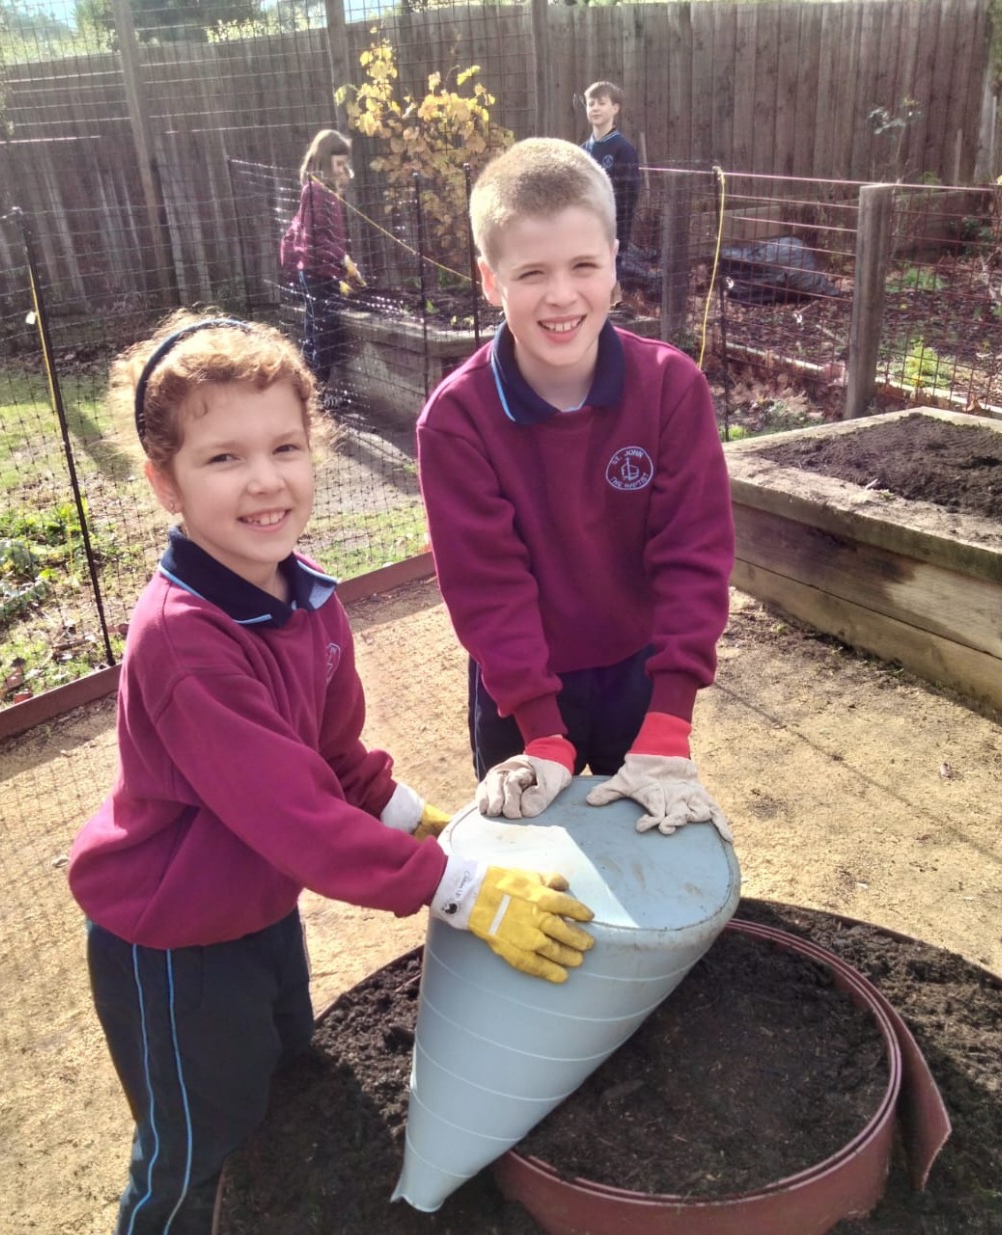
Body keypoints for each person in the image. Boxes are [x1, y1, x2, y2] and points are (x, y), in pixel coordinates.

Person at [68, 311, 595, 1235]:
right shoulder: (183, 642)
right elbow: (301, 821)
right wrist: (465, 890)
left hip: (252, 912)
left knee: (279, 1071)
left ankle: (246, 1228)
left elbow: (341, 765)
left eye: (284, 448)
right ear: (165, 482)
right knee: (196, 1126)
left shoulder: (303, 598)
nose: (265, 482)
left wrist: (432, 824)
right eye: (224, 459)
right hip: (169, 938)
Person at [416, 139, 734, 842]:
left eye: (583, 266)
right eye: (531, 272)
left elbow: (694, 555)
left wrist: (671, 718)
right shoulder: (456, 420)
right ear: (490, 281)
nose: (561, 295)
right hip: (519, 687)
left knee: (648, 854)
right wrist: (542, 730)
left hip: (640, 672)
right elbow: (486, 585)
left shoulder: (672, 389)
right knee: (530, 866)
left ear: (616, 263)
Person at [280, 128, 365, 394]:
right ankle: (318, 388)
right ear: (325, 161)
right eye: (339, 164)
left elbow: (328, 236)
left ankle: (306, 381)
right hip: (319, 272)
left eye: (344, 164)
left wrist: (343, 261)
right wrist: (340, 263)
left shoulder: (323, 191)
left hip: (321, 271)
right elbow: (314, 240)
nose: (342, 169)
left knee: (314, 325)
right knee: (324, 331)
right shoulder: (315, 193)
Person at [581, 81, 641, 285]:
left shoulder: (623, 150)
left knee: (609, 286)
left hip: (612, 232)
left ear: (615, 108)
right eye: (590, 104)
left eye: (601, 103)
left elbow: (628, 197)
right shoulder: (582, 151)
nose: (595, 108)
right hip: (584, 231)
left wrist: (617, 234)